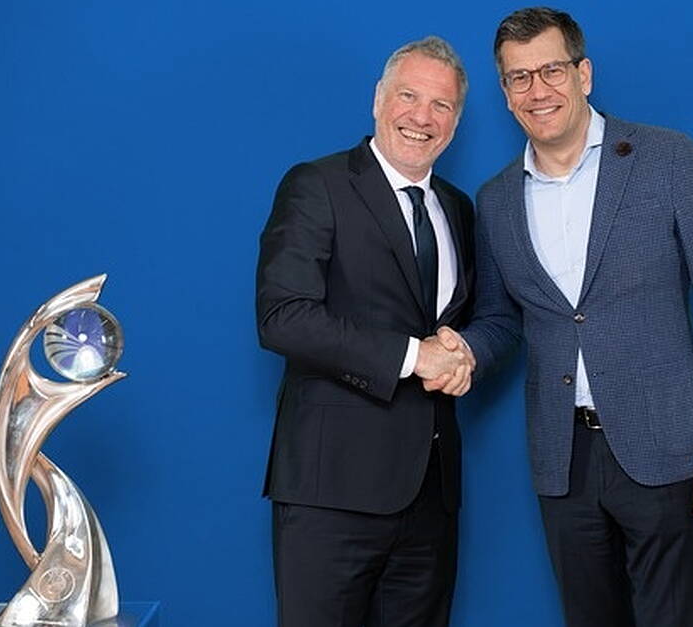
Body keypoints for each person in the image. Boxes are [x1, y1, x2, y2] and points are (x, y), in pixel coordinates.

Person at [431, 8, 693, 626]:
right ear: (505, 92)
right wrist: (464, 351)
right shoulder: (495, 200)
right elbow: (501, 319)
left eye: (551, 70)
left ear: (583, 74)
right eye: (519, 77)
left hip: (669, 449)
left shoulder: (669, 160)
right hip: (564, 458)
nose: (538, 90)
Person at [255, 35, 475, 627]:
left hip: (430, 497)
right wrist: (414, 357)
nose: (422, 117)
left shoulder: (457, 208)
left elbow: (468, 325)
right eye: (409, 96)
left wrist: (465, 352)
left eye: (441, 105)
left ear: (456, 121)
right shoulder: (317, 184)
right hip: (331, 493)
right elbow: (283, 317)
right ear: (379, 100)